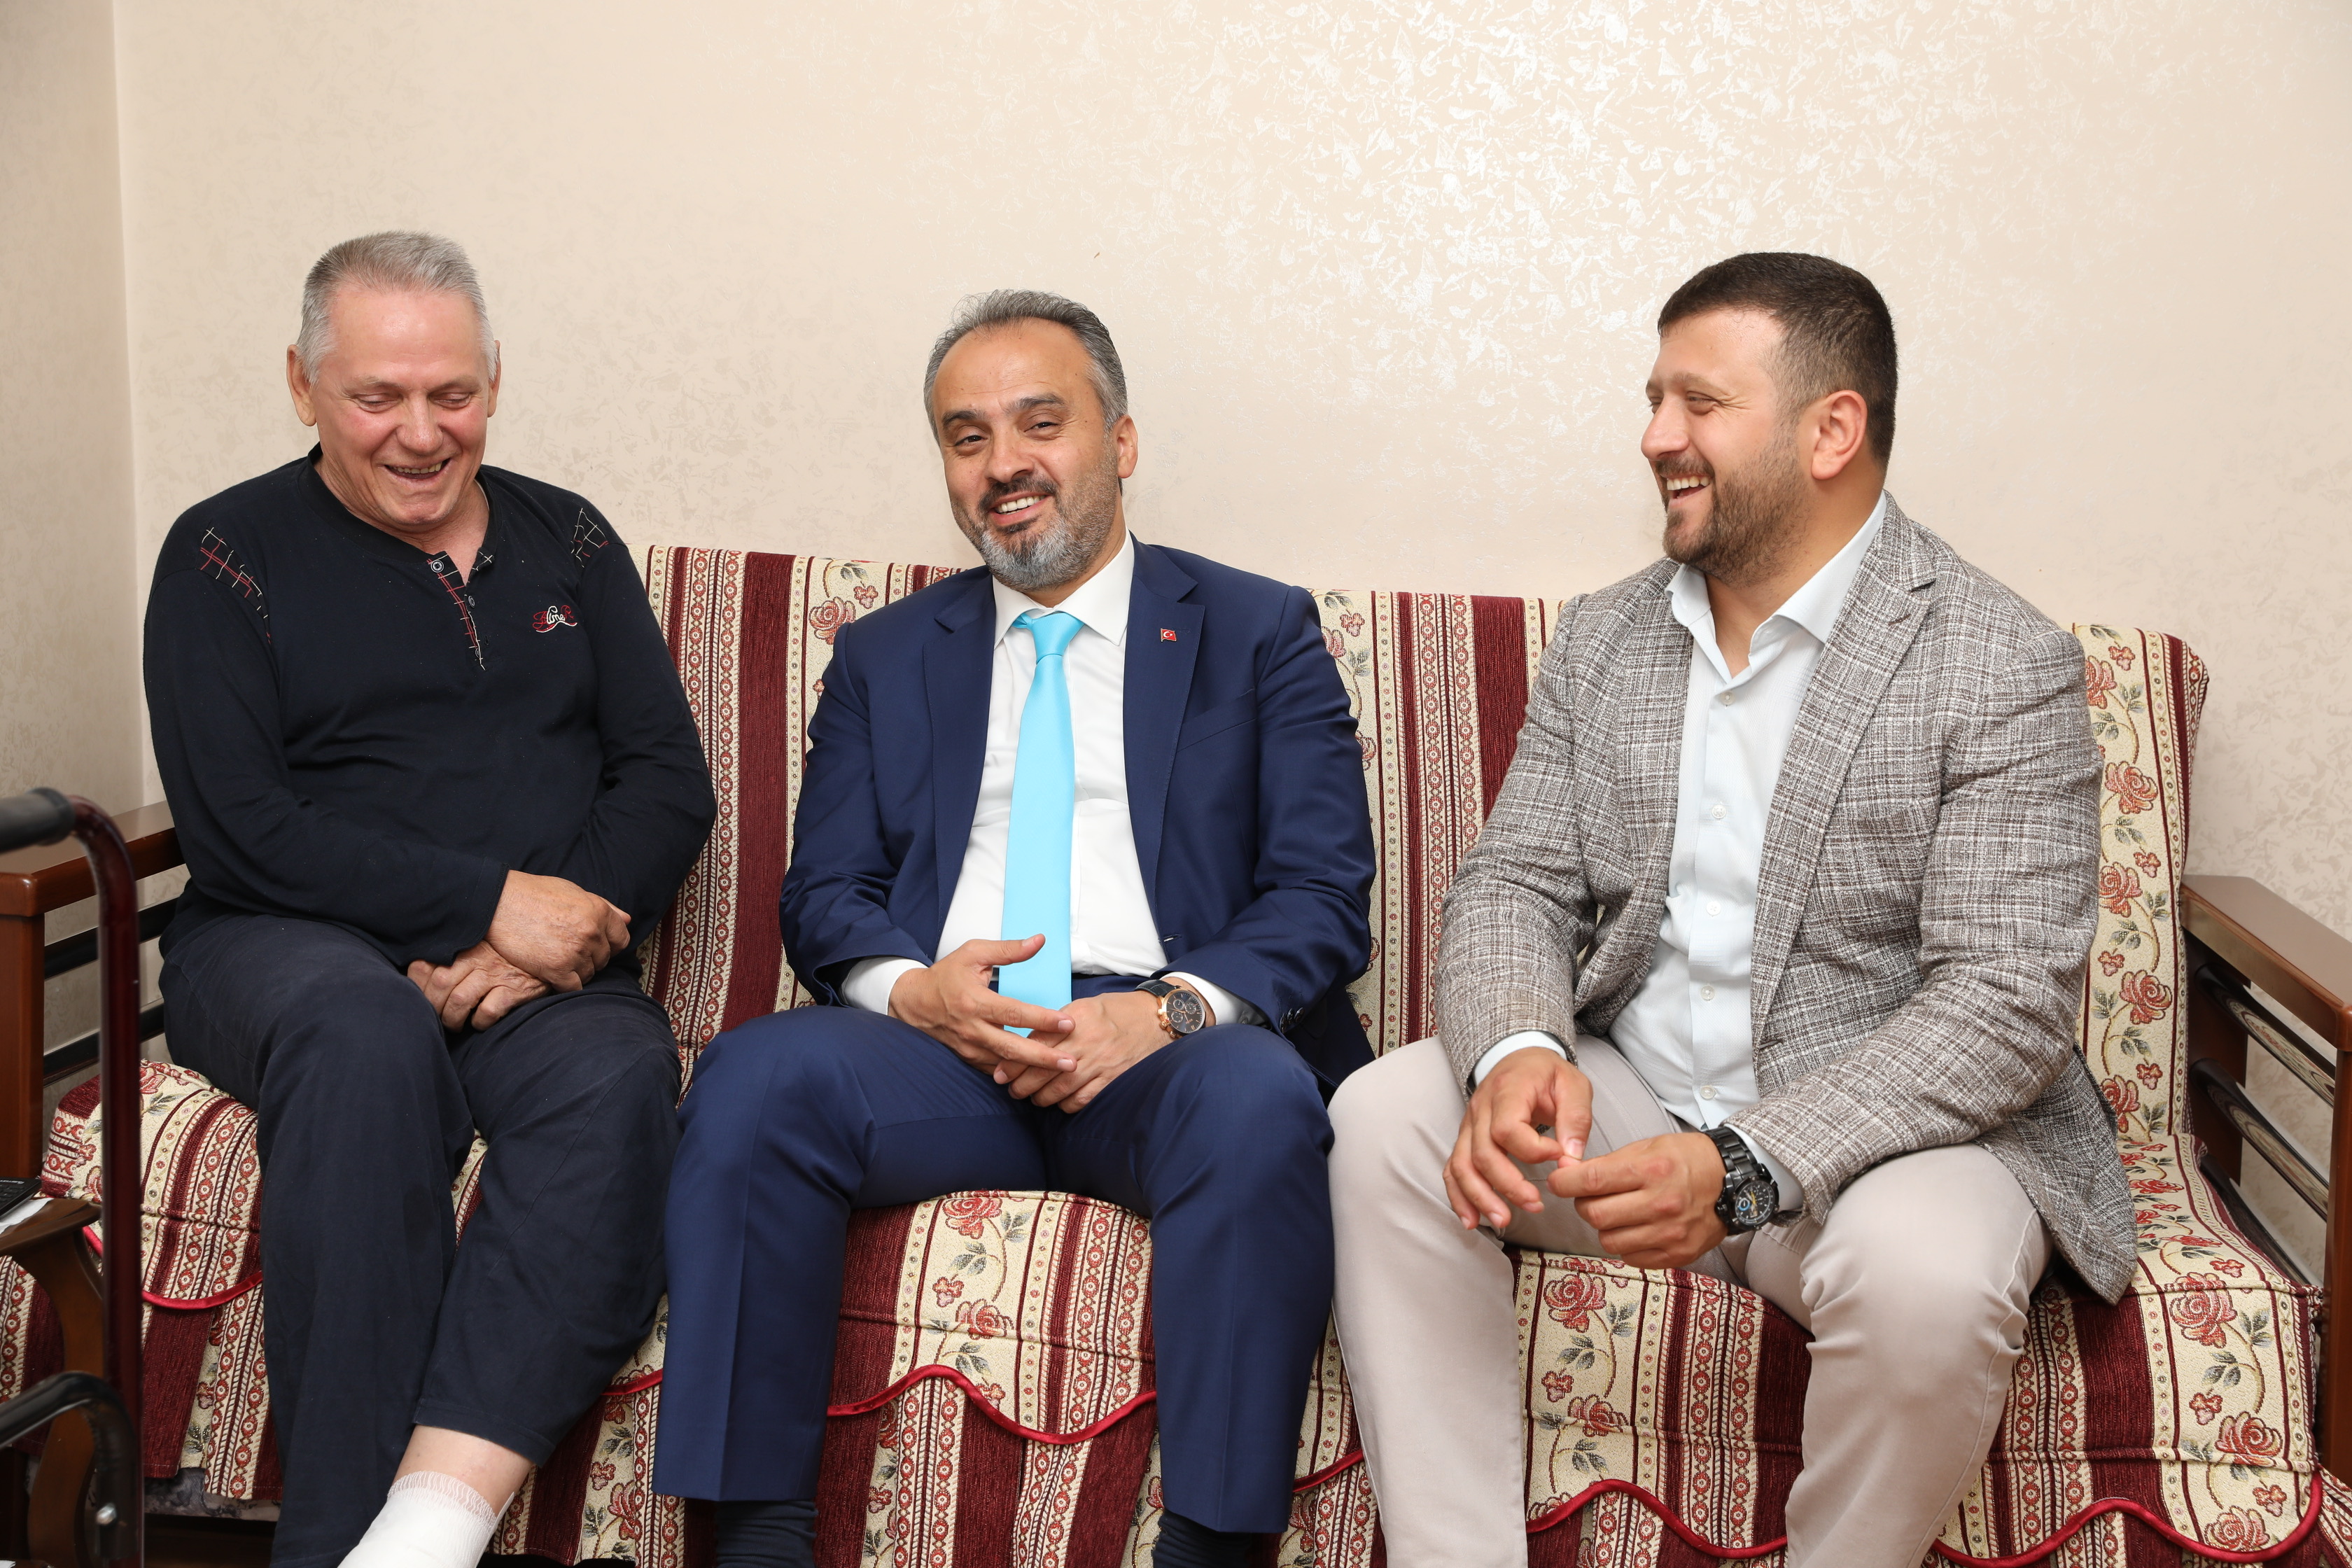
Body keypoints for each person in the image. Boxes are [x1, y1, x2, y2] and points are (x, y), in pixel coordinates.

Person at [1326, 253, 2128, 1568]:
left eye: (1699, 403)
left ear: (1832, 430)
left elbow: (2004, 1003)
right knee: (1385, 1117)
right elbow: (1515, 882)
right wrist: (1518, 1053)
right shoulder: (1607, 639)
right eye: (1655, 400)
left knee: (1931, 1283)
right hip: (1638, 1108)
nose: (1657, 437)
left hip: (1885, 1152)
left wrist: (1748, 1165)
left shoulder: (1999, 659)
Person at [654, 290, 1376, 1568]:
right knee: (756, 1079)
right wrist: (913, 991)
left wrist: (1162, 1012)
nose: (1004, 464)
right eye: (967, 435)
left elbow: (1321, 893)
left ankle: (1213, 1551)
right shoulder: (885, 656)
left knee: (1260, 1100)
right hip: (943, 1050)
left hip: (1162, 1050)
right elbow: (825, 893)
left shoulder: (1258, 631)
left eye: (1042, 423)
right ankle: (754, 1542)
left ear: (1121, 440)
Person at [144, 232, 715, 1568]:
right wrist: (486, 902)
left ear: (495, 382)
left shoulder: (569, 536)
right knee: (365, 1035)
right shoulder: (224, 553)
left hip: (533, 972)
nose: (420, 432)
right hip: (282, 947)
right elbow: (239, 827)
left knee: (620, 1073)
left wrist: (543, 937)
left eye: (451, 394)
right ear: (302, 386)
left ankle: (425, 1533)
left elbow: (666, 779)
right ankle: (331, 1541)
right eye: (376, 397)